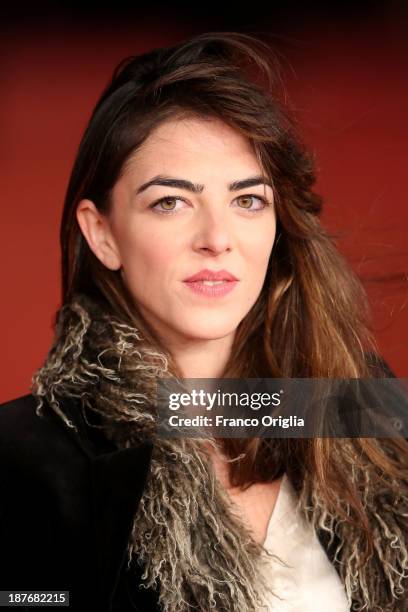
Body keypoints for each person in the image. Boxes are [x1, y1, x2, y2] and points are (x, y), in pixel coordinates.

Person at [0, 31, 407, 612]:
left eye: (248, 200)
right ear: (103, 233)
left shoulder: (358, 405)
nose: (217, 239)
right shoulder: (25, 459)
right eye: (171, 201)